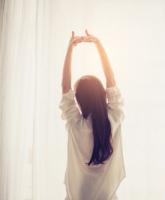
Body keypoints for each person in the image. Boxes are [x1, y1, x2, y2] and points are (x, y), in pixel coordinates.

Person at [59, 30, 125, 200]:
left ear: (79, 100)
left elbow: (65, 87)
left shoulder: (76, 125)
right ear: (103, 95)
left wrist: (70, 49)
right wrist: (98, 45)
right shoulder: (114, 119)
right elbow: (111, 80)